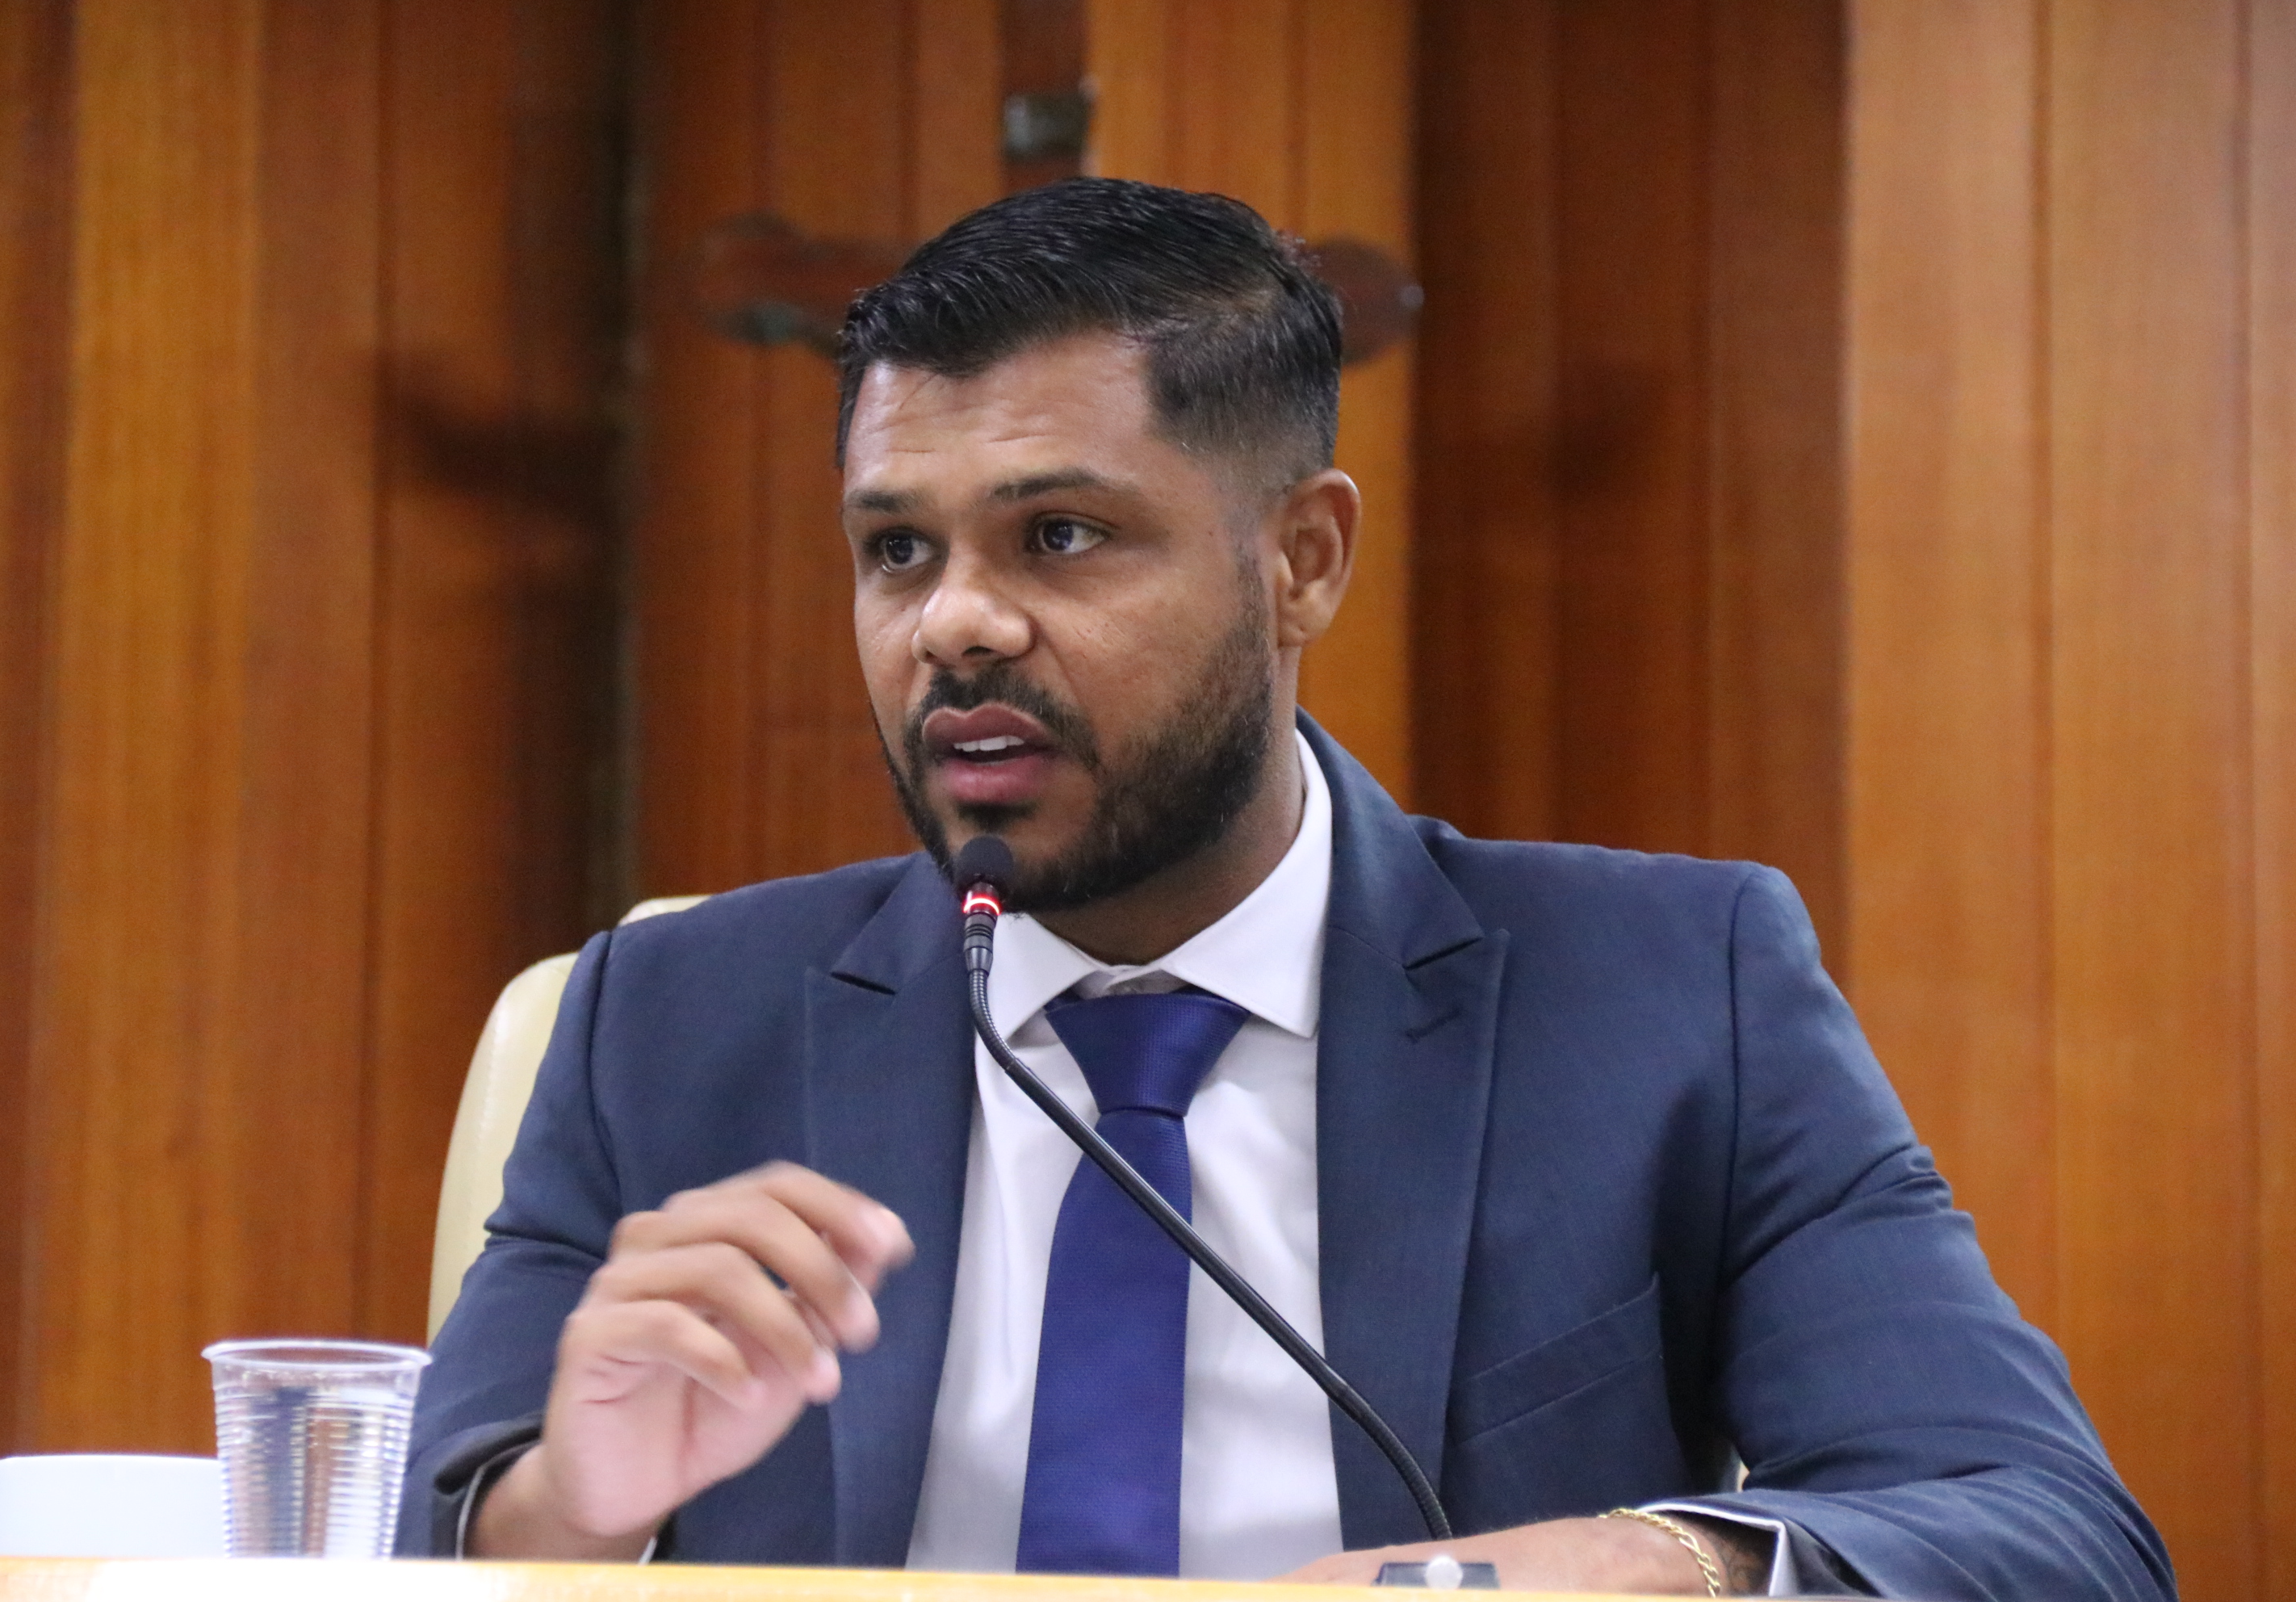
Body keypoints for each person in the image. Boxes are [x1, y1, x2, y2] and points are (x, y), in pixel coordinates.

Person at [399, 178, 2171, 1598]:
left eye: (1059, 536)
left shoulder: (1666, 991)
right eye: (897, 549)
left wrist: (1654, 1560)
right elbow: (408, 1540)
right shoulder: (668, 1023)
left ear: (1301, 560)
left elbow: (2044, 1528)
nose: (955, 623)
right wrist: (579, 1517)